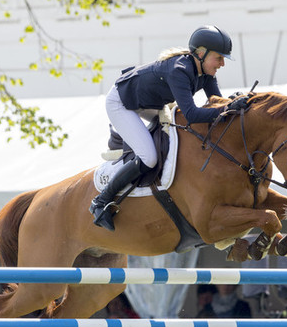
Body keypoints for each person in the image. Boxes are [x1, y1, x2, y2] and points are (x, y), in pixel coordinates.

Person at [90, 25, 239, 230]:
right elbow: (192, 114)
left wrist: (238, 103)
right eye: (219, 58)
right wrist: (228, 108)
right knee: (149, 158)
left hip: (149, 103)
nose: (222, 64)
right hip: (122, 103)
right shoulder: (180, 70)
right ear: (202, 53)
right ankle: (101, 201)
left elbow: (217, 102)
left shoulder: (205, 71)